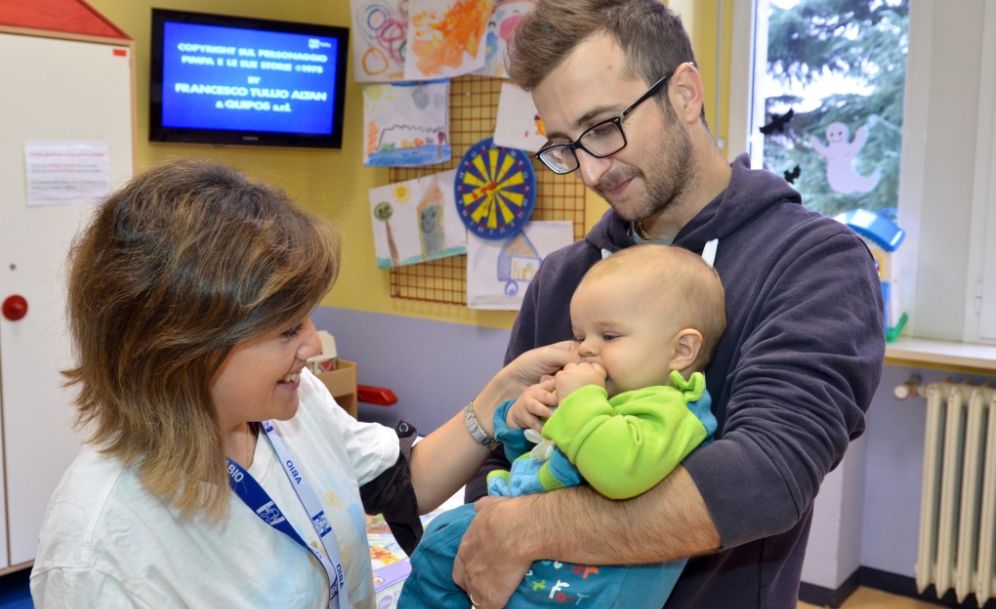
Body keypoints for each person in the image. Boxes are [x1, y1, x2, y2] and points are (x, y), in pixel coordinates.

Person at [454, 1, 886, 608]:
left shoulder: (816, 263)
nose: (592, 170)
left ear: (684, 93)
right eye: (565, 147)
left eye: (604, 127)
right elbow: (502, 457)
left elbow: (765, 479)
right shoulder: (563, 277)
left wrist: (529, 526)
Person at [29, 159, 576, 609]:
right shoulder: (97, 554)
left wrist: (499, 394)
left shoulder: (292, 403)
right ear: (184, 344)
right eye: (288, 327)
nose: (314, 345)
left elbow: (403, 484)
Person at [399, 244, 726, 608]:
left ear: (681, 351)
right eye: (580, 336)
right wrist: (520, 419)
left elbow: (618, 471)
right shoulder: (602, 397)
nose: (585, 349)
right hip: (525, 542)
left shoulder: (673, 410)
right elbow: (542, 458)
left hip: (582, 584)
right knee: (433, 554)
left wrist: (580, 402)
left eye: (609, 336)